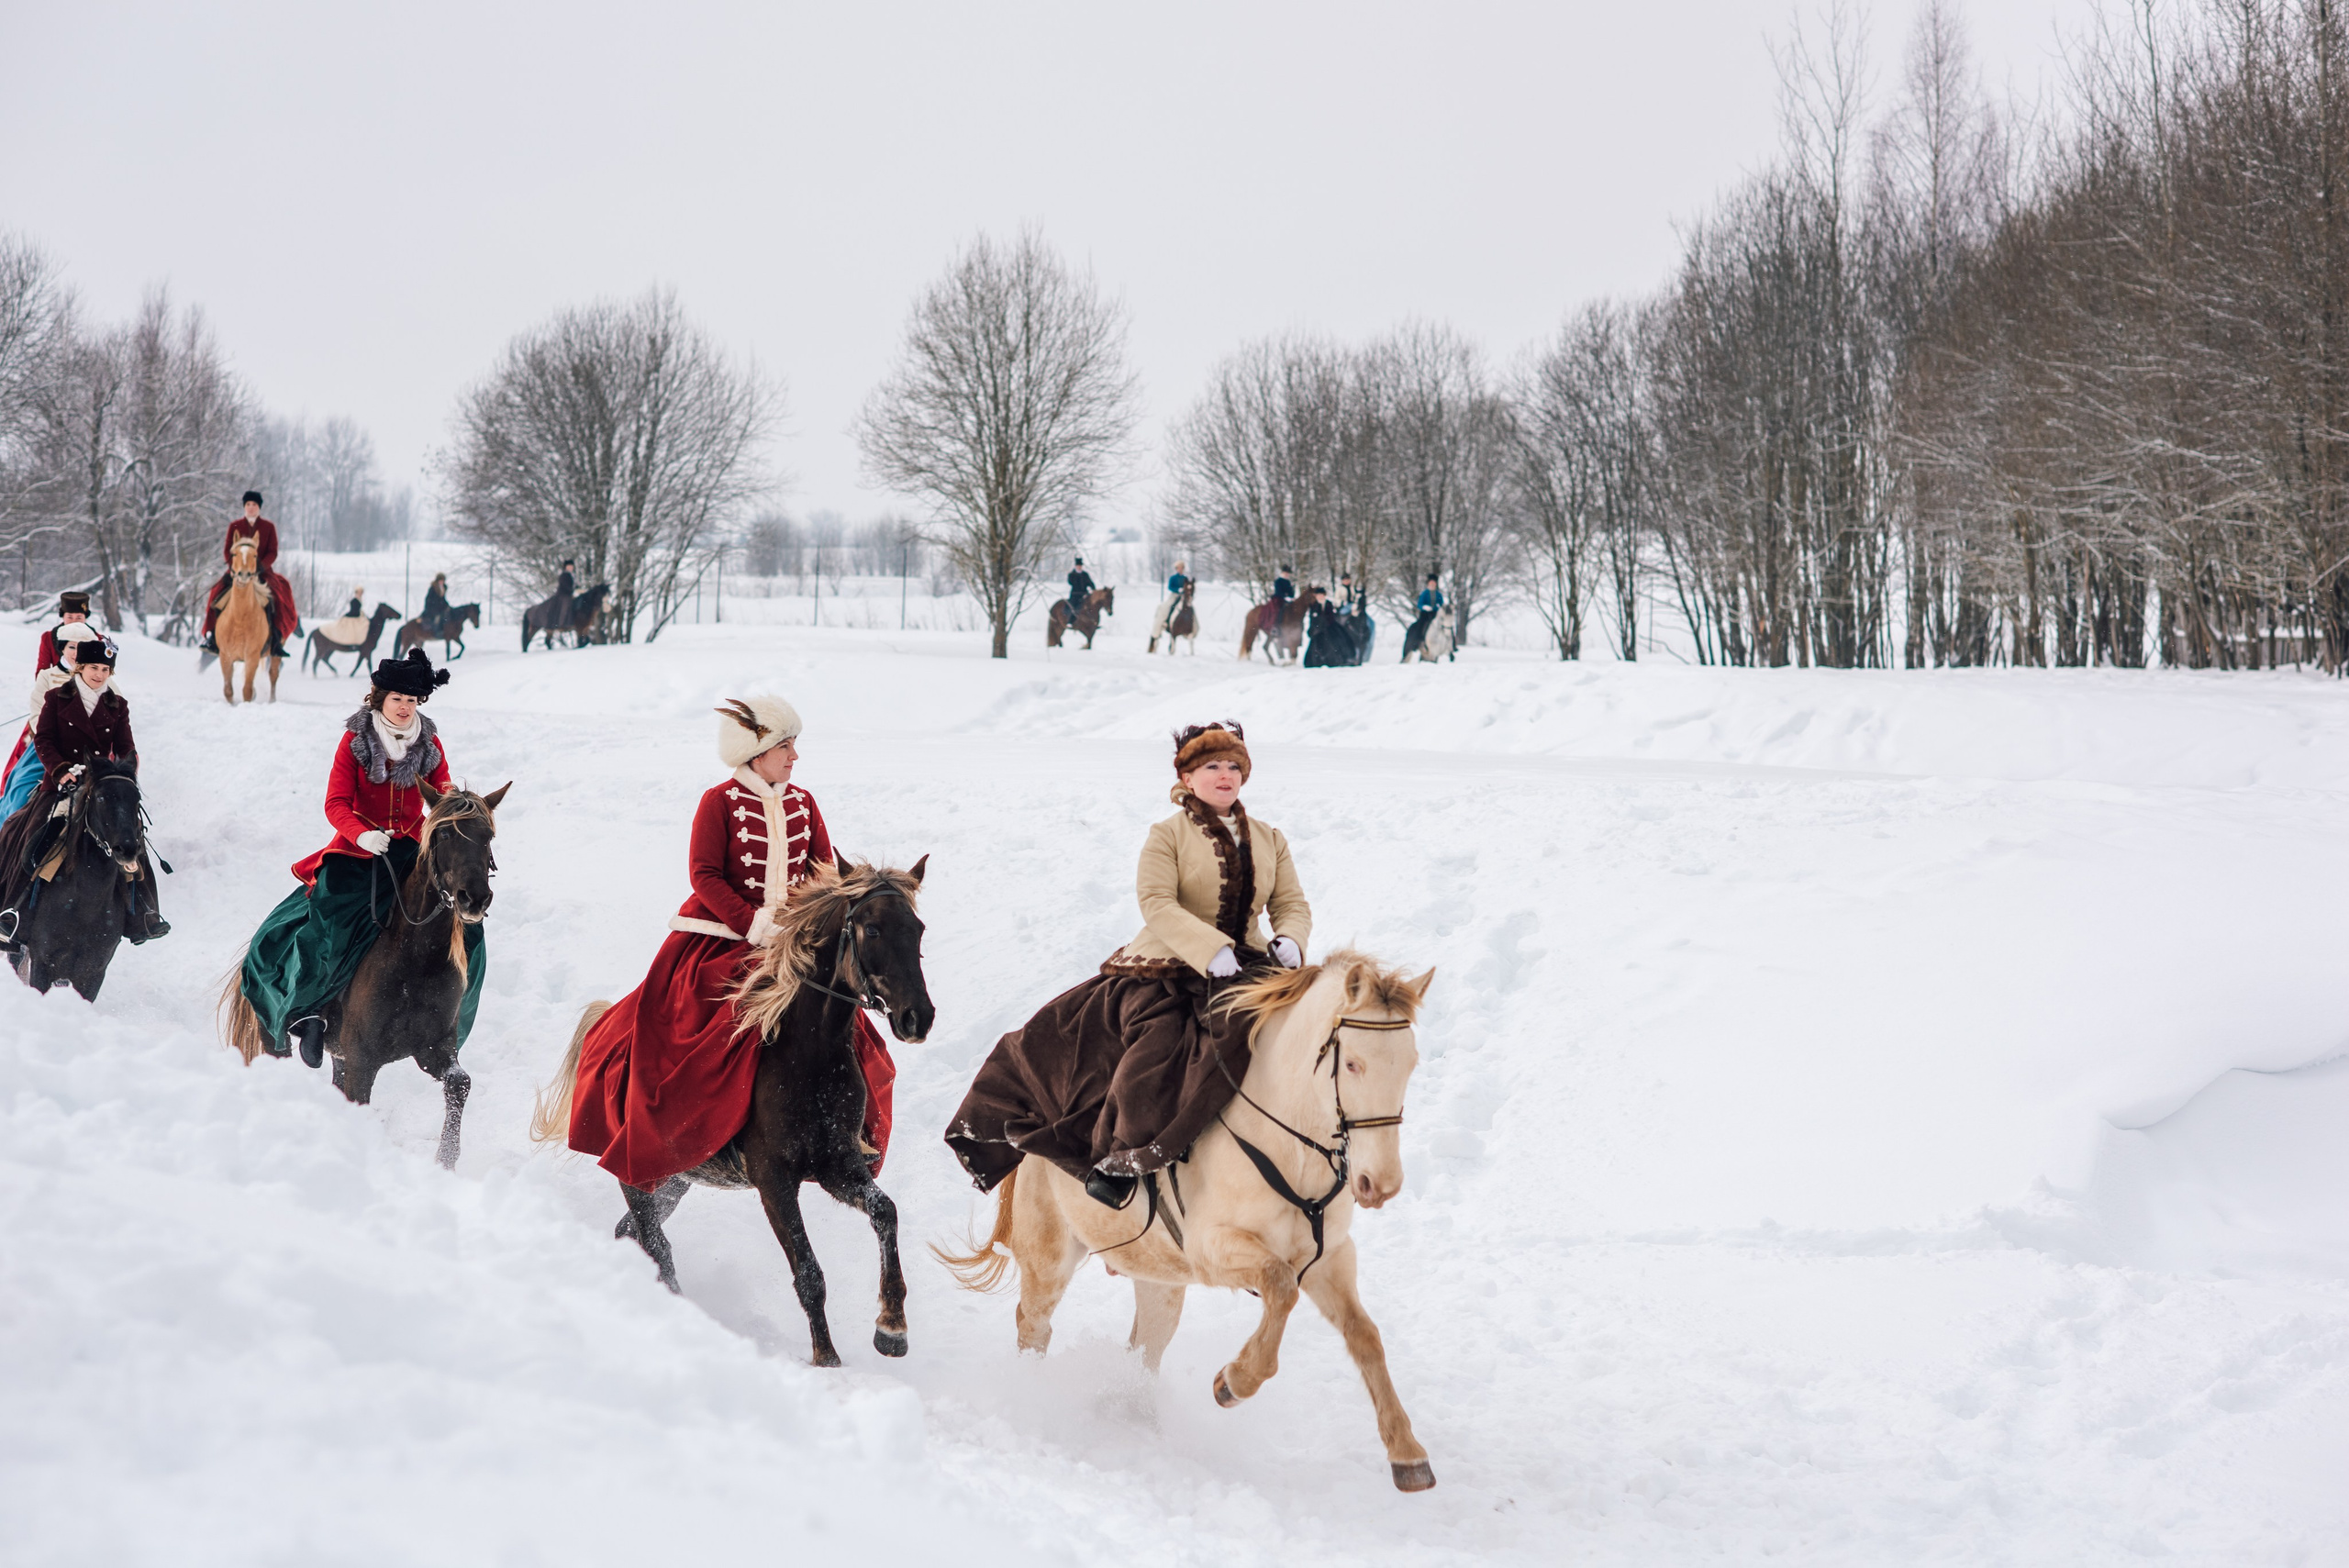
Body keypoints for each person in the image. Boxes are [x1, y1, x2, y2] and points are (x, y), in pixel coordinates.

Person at [947, 721, 1311, 1207]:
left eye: (1233, 766)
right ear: (1186, 777)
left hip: (1249, 965)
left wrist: (1290, 937)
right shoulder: (1167, 835)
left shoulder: (1270, 838)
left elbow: (1291, 902)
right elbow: (1157, 901)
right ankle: (1122, 1159)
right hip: (1170, 967)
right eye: (1211, 766)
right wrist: (1208, 949)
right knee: (1156, 1052)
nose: (1225, 775)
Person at [566, 695, 897, 1190]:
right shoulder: (718, 801)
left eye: (794, 745)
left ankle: (845, 1138)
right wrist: (755, 924)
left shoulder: (804, 802)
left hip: (792, 946)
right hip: (724, 939)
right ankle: (700, 1138)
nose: (794, 756)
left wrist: (809, 931)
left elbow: (823, 874)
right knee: (705, 1028)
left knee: (850, 1033)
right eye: (786, 745)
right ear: (757, 751)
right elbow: (704, 874)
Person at [236, 648, 482, 1068]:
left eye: (411, 701)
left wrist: (456, 816)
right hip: (356, 850)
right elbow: (335, 803)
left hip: (410, 850)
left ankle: (451, 1020)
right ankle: (311, 1013)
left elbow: (439, 797)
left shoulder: (431, 743)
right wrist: (362, 834)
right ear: (379, 699)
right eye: (396, 700)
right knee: (328, 923)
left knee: (466, 929)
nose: (404, 708)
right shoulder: (355, 742)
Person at [0, 637, 168, 946]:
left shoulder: (117, 705)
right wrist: (61, 770)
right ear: (80, 667)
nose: (99, 674)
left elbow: (126, 745)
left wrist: (123, 770)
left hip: (101, 782)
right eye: (94, 667)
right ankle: (11, 911)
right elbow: (44, 740)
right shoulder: (56, 697)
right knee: (29, 835)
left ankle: (145, 913)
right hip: (61, 784)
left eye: (105, 669)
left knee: (132, 835)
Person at [200, 491, 300, 658]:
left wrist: (261, 566)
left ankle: (276, 639)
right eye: (248, 505)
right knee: (215, 594)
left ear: (259, 507)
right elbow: (227, 550)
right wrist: (235, 568)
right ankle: (212, 637)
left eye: (254, 505)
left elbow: (273, 551)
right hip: (237, 571)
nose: (251, 508)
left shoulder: (268, 527)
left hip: (262, 572)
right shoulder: (235, 526)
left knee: (277, 598)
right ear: (244, 507)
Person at [1403, 573, 1443, 661]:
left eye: (1434, 583)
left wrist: (1437, 607)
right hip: (1425, 614)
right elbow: (1420, 604)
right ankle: (1419, 639)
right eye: (1431, 583)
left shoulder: (1438, 594)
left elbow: (1441, 604)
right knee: (1421, 625)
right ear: (1428, 584)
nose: (1432, 585)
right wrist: (1425, 607)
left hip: (1435, 614)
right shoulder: (1425, 593)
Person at [1152, 559, 1191, 642]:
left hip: (1183, 596)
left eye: (1181, 568)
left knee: (1190, 608)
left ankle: (1190, 627)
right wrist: (1178, 589)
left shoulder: (1185, 578)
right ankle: (1166, 621)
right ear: (1176, 569)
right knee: (1169, 606)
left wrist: (1185, 591)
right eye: (1178, 568)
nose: (1180, 569)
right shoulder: (1173, 578)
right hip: (1174, 595)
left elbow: (1188, 586)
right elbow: (1170, 587)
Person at [422, 573, 452, 637]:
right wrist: (436, 605)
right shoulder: (433, 588)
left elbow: (442, 599)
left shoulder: (443, 588)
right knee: (437, 618)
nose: (442, 581)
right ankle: (436, 632)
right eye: (440, 580)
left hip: (440, 606)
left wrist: (447, 605)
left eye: (443, 580)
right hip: (432, 607)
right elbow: (430, 599)